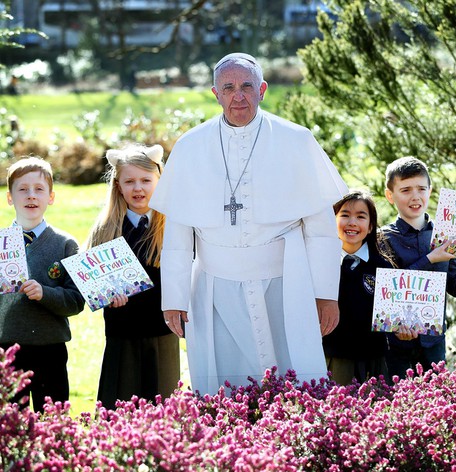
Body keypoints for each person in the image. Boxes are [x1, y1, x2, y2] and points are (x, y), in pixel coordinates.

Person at [148, 52, 348, 395]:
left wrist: (326, 295)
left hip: (286, 283)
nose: (237, 96)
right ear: (215, 93)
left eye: (246, 86)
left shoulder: (296, 140)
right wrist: (174, 297)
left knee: (293, 380)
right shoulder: (190, 146)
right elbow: (178, 236)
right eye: (228, 88)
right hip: (214, 286)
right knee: (225, 384)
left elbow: (320, 229)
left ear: (263, 90)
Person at [85, 143, 180, 409]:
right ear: (118, 186)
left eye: (145, 180)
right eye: (129, 181)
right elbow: (92, 284)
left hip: (162, 332)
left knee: (162, 407)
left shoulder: (175, 226)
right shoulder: (105, 230)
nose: (138, 188)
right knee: (118, 407)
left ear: (160, 181)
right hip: (121, 334)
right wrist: (106, 296)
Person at [382, 156, 456, 379]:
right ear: (390, 195)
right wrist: (430, 259)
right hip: (396, 348)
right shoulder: (383, 238)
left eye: (421, 189)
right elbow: (387, 291)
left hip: (434, 345)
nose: (415, 196)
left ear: (430, 190)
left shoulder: (446, 233)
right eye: (405, 190)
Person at [0, 156, 84, 412]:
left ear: (51, 197)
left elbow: (76, 301)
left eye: (39, 189)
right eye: (22, 190)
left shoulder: (65, 244)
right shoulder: (0, 243)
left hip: (50, 349)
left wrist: (45, 293)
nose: (31, 196)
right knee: (13, 426)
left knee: (53, 420)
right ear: (10, 198)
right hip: (7, 351)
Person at [323, 190, 396, 385]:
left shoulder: (383, 267)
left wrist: (403, 329)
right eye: (345, 215)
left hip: (374, 360)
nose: (352, 222)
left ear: (371, 226)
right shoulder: (320, 264)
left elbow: (393, 318)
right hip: (334, 357)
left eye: (361, 217)